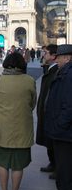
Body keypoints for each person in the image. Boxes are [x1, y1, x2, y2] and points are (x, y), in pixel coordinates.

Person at [0, 52, 36, 190]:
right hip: (22, 128)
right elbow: (32, 103)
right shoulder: (29, 81)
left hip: (1, 128)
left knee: (3, 163)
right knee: (18, 165)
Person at [44, 44, 72, 190]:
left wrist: (60, 124)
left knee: (64, 164)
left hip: (64, 130)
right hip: (63, 128)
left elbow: (69, 105)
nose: (58, 60)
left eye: (60, 57)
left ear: (67, 58)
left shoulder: (68, 75)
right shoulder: (66, 72)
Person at [35, 44, 58, 177]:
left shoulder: (55, 72)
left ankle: (56, 166)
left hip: (50, 114)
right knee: (49, 142)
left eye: (46, 53)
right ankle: (52, 164)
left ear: (53, 56)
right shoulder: (50, 70)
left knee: (52, 142)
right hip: (46, 112)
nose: (43, 55)